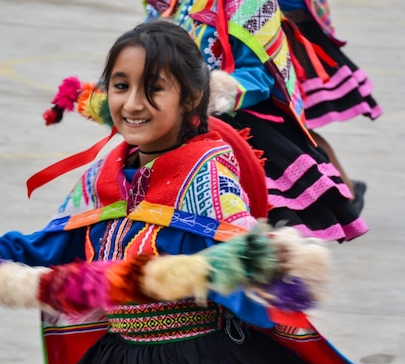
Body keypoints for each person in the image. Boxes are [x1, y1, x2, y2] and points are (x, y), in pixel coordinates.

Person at [0, 21, 393, 364]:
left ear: (190, 98)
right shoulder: (109, 172)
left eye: (154, 89)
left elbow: (231, 250)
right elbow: (55, 244)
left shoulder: (207, 171)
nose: (133, 103)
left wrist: (252, 264)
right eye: (121, 86)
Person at [141, 0, 369, 240]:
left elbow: (259, 75)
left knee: (251, 232)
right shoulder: (166, 3)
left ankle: (346, 193)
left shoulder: (249, 4)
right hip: (175, 125)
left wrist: (216, 92)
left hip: (242, 128)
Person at [279, 0, 383, 213]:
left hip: (293, 39)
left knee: (295, 128)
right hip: (282, 37)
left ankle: (348, 191)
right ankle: (346, 189)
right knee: (292, 128)